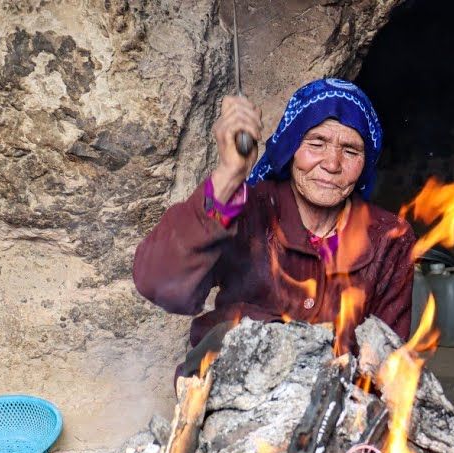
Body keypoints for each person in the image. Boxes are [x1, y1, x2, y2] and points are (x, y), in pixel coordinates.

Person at [135, 78, 416, 371]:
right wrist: (230, 173)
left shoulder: (389, 237)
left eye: (351, 151)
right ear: (290, 148)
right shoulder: (245, 209)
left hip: (335, 405)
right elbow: (160, 285)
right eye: (316, 143)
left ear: (365, 164)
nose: (332, 164)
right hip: (231, 394)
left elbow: (387, 358)